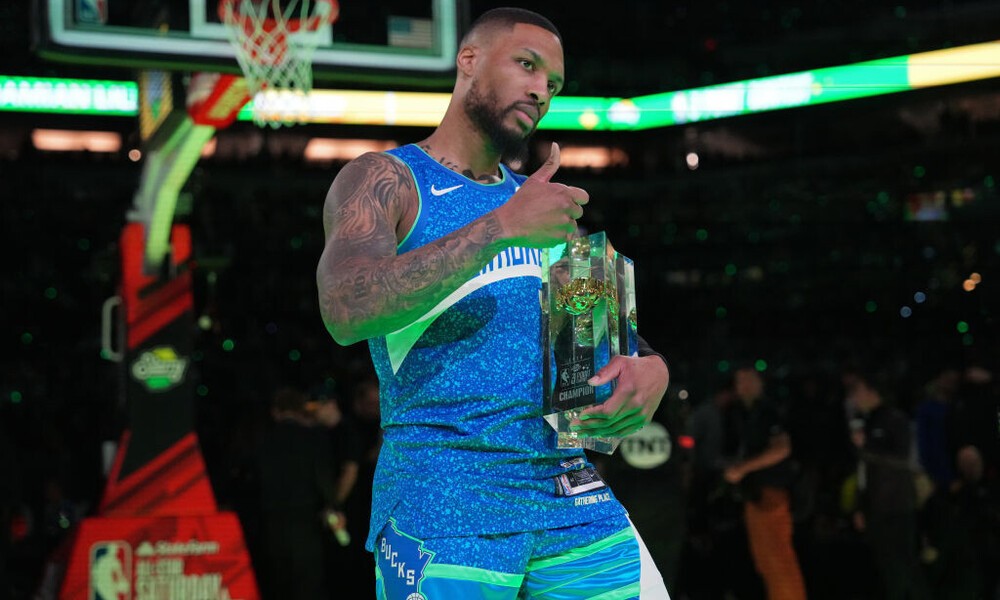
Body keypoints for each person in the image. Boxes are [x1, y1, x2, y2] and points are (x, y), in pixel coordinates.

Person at [316, 7, 671, 599]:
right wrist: (501, 227)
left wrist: (651, 368)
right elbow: (344, 309)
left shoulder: (544, 206)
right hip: (445, 503)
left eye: (553, 83)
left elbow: (601, 343)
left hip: (569, 496)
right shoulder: (386, 178)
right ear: (468, 60)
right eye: (526, 65)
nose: (540, 90)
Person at [721, 367, 807, 600]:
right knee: (765, 561)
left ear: (760, 383)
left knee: (778, 560)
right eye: (739, 381)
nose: (743, 386)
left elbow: (782, 448)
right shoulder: (743, 413)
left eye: (749, 380)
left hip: (772, 492)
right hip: (755, 494)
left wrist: (743, 468)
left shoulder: (769, 411)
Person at [846, 371, 930, 600]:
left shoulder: (895, 419)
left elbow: (902, 459)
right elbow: (863, 471)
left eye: (858, 390)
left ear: (872, 391)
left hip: (897, 505)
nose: (854, 396)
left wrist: (867, 448)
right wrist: (860, 506)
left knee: (905, 563)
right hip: (875, 506)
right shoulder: (865, 421)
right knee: (886, 567)